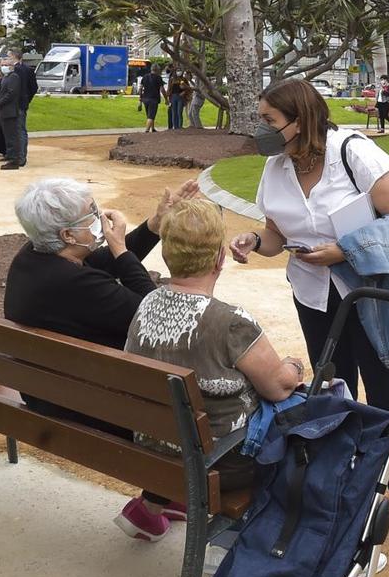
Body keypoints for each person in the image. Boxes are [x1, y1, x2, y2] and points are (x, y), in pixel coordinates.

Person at [229, 79, 389, 542]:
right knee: (334, 391)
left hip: (370, 293)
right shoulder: (276, 166)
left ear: (300, 120)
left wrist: (343, 251)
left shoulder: (353, 152)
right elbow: (275, 234)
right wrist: (253, 241)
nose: (261, 129)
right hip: (313, 296)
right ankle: (346, 490)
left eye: (269, 120)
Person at [3, 178, 197, 534]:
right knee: (187, 412)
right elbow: (153, 313)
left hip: (49, 388)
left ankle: (159, 498)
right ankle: (155, 501)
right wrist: (123, 251)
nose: (99, 216)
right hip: (87, 403)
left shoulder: (33, 259)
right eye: (90, 214)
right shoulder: (73, 285)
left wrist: (153, 226)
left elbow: (100, 264)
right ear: (67, 235)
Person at [113, 196, 305, 540]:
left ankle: (151, 507)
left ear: (168, 255)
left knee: (184, 415)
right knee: (302, 408)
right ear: (219, 259)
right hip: (221, 463)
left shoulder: (146, 303)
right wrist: (294, 366)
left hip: (154, 449)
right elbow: (277, 387)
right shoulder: (230, 322)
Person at [0, 52, 37, 170]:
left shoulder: (18, 74)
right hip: (7, 108)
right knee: (9, 134)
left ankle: (18, 158)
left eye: (7, 61)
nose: (4, 65)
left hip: (15, 107)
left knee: (17, 133)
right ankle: (11, 156)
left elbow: (18, 91)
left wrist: (26, 100)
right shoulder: (7, 75)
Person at [138, 64, 164, 132]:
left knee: (149, 115)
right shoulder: (158, 78)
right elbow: (162, 89)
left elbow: (140, 88)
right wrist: (166, 98)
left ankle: (153, 128)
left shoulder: (145, 76)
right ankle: (146, 130)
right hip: (154, 99)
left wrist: (140, 99)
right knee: (151, 116)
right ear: (158, 70)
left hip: (145, 98)